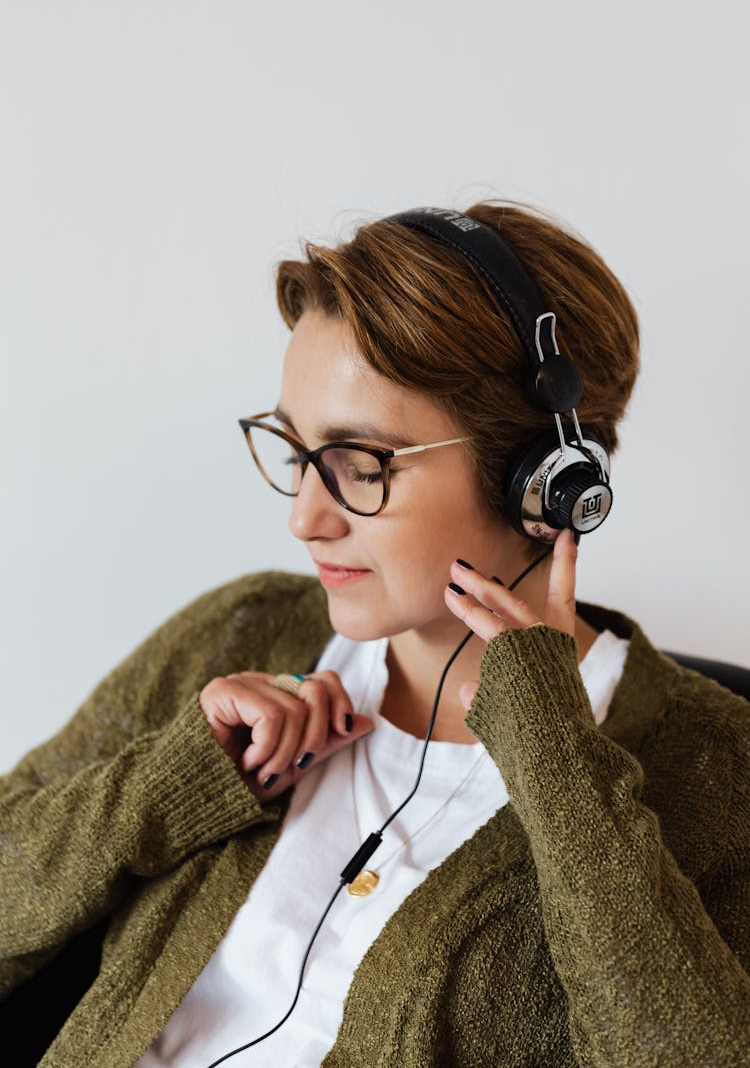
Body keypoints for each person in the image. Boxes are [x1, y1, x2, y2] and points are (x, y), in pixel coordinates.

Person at [1, 201, 749, 1068]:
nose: (304, 518)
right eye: (295, 453)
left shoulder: (718, 766)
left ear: (542, 481)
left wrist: (553, 750)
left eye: (359, 467)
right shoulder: (239, 631)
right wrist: (167, 790)